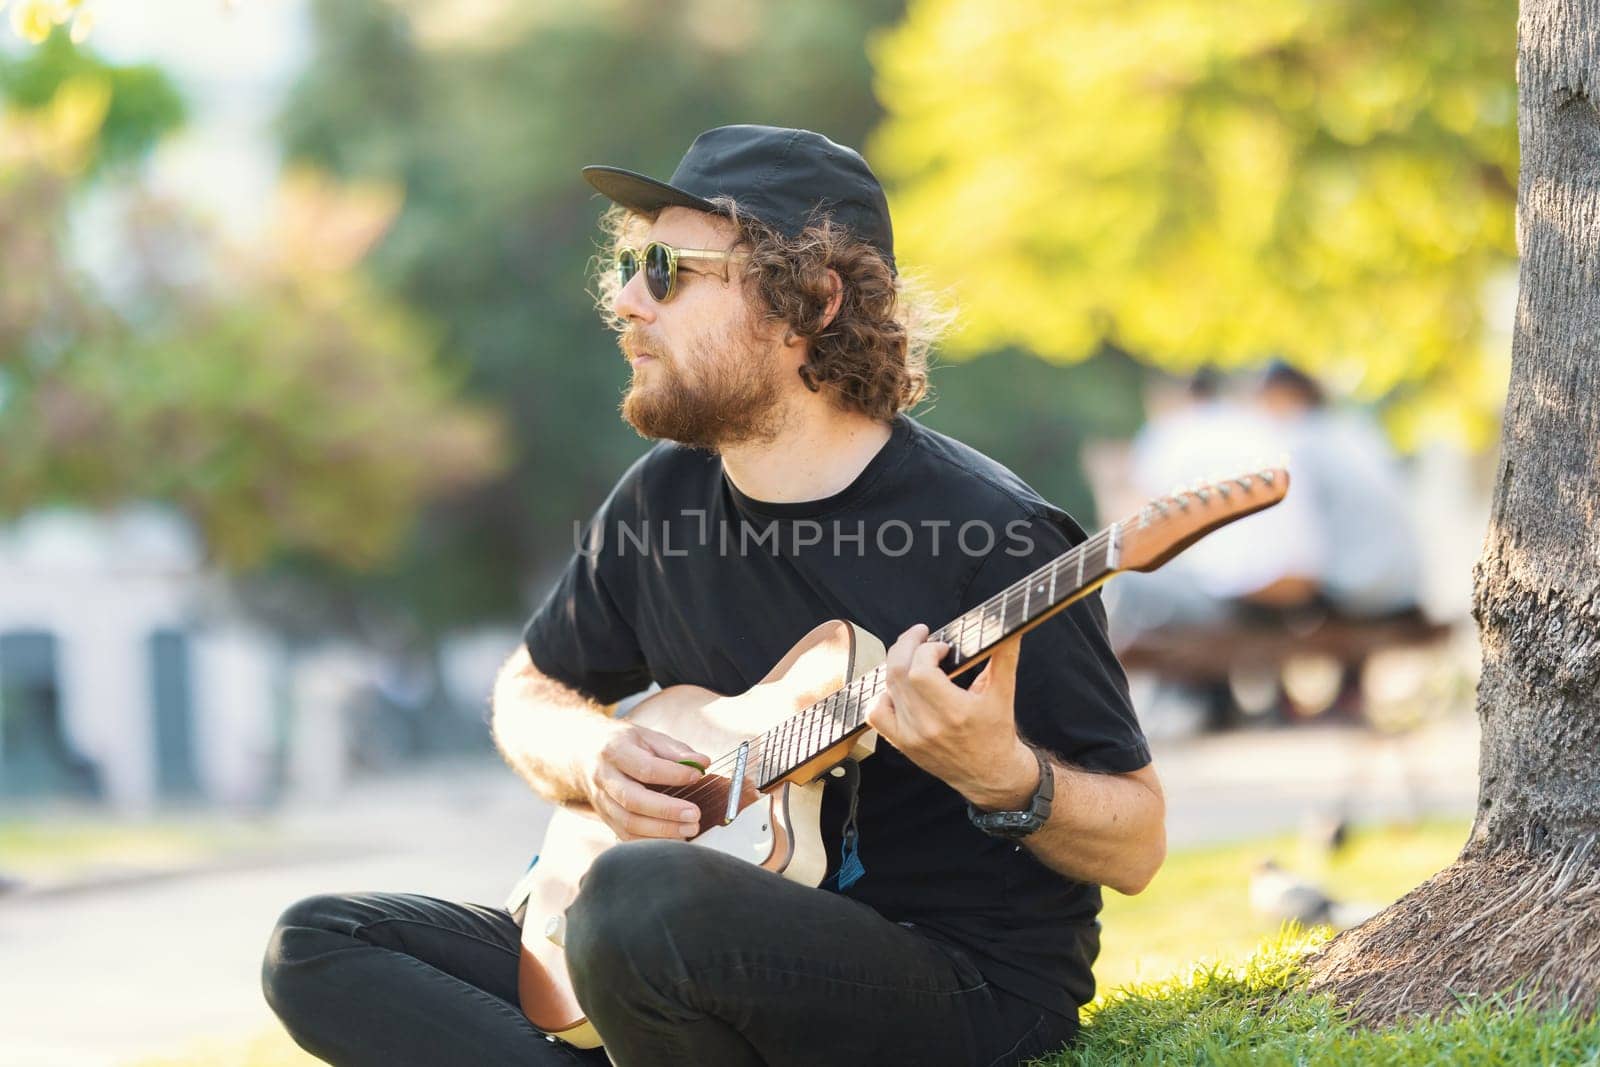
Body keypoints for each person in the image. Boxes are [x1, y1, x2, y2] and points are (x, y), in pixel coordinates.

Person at [261, 125, 1165, 1067]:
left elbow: (1137, 842)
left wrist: (1004, 776)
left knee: (640, 900)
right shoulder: (662, 500)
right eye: (627, 264)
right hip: (666, 952)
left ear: (808, 303)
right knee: (319, 944)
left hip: (956, 981)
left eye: (667, 268)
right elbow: (529, 687)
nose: (623, 301)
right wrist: (594, 751)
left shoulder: (993, 535)